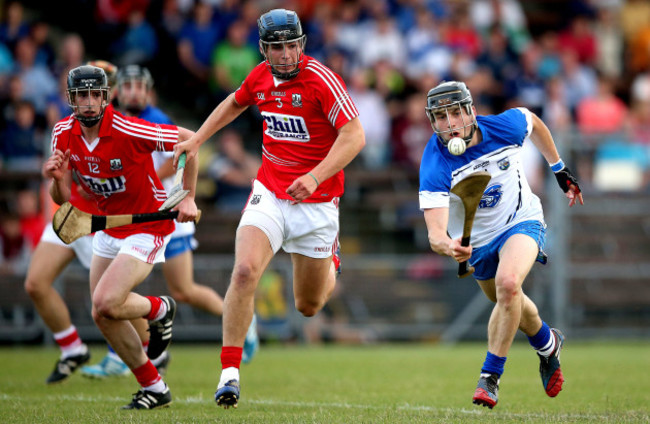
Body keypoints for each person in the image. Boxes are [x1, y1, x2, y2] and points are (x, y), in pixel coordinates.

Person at [172, 8, 365, 409]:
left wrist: (315, 175)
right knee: (244, 272)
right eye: (277, 48)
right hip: (271, 193)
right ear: (264, 50)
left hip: (317, 203)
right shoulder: (259, 76)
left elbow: (355, 135)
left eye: (292, 45)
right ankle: (229, 375)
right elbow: (234, 102)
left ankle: (332, 259)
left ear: (301, 44)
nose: (286, 54)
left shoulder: (321, 79)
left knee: (308, 306)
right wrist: (198, 140)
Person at [81, 64, 258, 378]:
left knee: (184, 290)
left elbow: (181, 153)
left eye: (139, 85)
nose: (133, 91)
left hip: (168, 212)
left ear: (149, 91)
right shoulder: (113, 119)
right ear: (118, 90)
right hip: (136, 215)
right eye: (127, 85)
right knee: (116, 292)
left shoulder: (157, 120)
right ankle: (127, 354)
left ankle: (244, 318)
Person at [418, 81, 583, 409]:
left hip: (521, 220)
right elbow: (435, 233)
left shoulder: (504, 127)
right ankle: (548, 343)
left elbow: (533, 122)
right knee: (509, 299)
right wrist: (449, 246)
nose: (449, 123)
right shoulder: (435, 162)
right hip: (476, 245)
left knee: (509, 284)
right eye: (440, 117)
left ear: (471, 112)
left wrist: (558, 168)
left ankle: (489, 377)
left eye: (455, 113)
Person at [42, 64, 198, 409]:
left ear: (105, 96)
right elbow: (62, 198)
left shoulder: (126, 127)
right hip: (108, 225)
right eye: (81, 95)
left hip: (147, 224)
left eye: (94, 95)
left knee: (107, 301)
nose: (87, 103)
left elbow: (190, 140)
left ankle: (159, 309)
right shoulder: (62, 134)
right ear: (71, 99)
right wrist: (55, 178)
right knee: (102, 314)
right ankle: (154, 387)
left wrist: (188, 195)